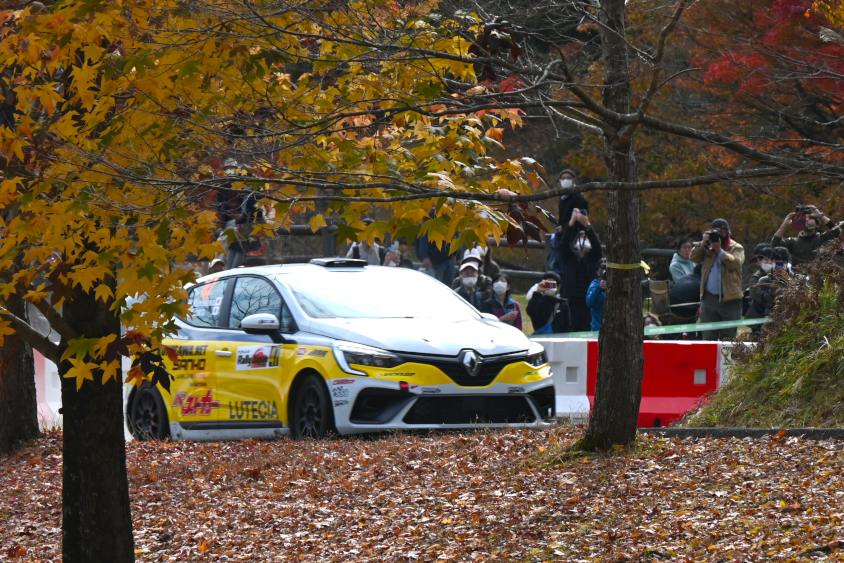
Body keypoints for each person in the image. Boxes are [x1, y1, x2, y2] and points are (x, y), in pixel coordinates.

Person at [689, 218, 745, 340]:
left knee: (728, 338)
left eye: (720, 232)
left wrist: (719, 250)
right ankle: (708, 359)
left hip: (730, 299)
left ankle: (726, 359)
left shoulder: (736, 247)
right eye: (715, 232)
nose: (718, 235)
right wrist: (702, 243)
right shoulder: (707, 246)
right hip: (709, 298)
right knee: (708, 336)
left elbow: (735, 264)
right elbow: (693, 258)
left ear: (727, 232)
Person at [554, 209, 602, 332]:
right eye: (580, 238)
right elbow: (563, 244)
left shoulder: (593, 259)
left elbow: (597, 246)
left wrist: (587, 225)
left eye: (586, 239)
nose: (583, 241)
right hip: (571, 305)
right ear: (574, 244)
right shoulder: (568, 259)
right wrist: (571, 223)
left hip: (588, 306)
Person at [772, 205, 841, 267]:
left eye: (810, 218)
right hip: (797, 278)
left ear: (817, 224)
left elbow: (837, 231)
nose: (806, 220)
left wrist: (821, 216)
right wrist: (785, 224)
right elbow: (775, 244)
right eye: (804, 218)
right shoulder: (793, 242)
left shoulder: (822, 239)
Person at [755, 247, 792, 316]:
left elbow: (799, 299)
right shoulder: (764, 281)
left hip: (792, 317)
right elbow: (767, 302)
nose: (780, 265)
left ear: (787, 262)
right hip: (772, 318)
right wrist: (775, 284)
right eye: (777, 262)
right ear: (772, 262)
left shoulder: (797, 278)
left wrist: (788, 281)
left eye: (782, 261)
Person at [744, 244, 772, 323]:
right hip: (758, 317)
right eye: (766, 260)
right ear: (759, 261)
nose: (769, 262)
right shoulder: (755, 278)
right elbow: (760, 298)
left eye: (771, 260)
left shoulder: (779, 276)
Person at [585, 261, 606, 331]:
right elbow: (590, 303)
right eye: (602, 267)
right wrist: (599, 289)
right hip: (598, 328)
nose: (605, 270)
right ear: (598, 272)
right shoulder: (595, 285)